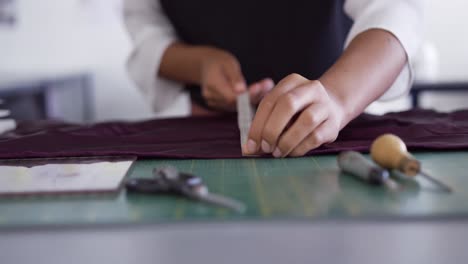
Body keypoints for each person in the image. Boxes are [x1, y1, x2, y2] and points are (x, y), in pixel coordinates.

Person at [124, 0, 423, 157]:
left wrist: (336, 98)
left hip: (333, 135)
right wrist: (200, 65)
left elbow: (394, 9)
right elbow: (145, 29)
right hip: (202, 137)